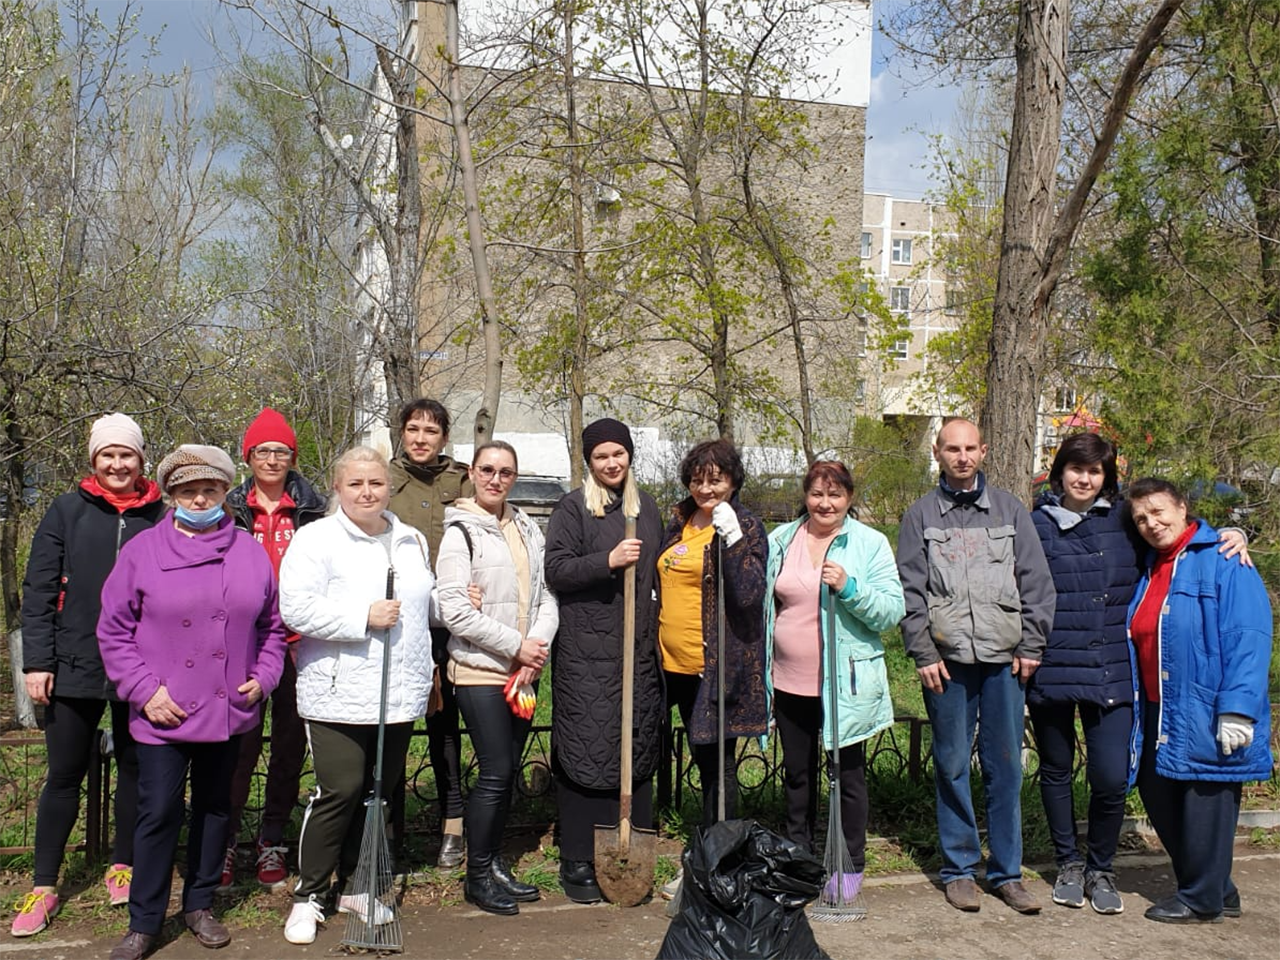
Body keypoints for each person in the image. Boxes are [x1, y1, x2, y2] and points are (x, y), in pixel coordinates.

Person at [1028, 434, 1248, 915]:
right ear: (1059, 471)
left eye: (1096, 471)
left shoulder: (1126, 522)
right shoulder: (1035, 525)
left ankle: (1100, 867)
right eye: (1076, 468)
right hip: (1052, 668)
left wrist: (1230, 535)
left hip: (1111, 671)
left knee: (1110, 778)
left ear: (1107, 477)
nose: (1084, 479)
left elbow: (1173, 538)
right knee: (1056, 772)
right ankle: (1068, 863)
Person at [98, 445, 287, 960]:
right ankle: (144, 920)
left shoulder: (249, 552)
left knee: (215, 808)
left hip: (228, 708)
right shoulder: (140, 551)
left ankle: (199, 904)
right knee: (158, 812)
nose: (198, 498)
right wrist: (143, 691)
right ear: (171, 495)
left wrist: (265, 675)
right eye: (186, 490)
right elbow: (113, 632)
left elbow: (272, 628)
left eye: (208, 489)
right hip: (163, 709)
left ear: (225, 492)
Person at [896, 418, 1055, 914]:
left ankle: (1007, 873)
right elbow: (910, 591)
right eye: (952, 449)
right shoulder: (921, 515)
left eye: (970, 448)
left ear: (983, 451)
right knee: (950, 764)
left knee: (1005, 767)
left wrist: (1032, 644)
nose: (962, 457)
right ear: (938, 454)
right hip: (946, 663)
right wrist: (923, 652)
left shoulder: (1010, 509)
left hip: (1005, 661)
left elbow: (1036, 582)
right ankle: (960, 869)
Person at [277, 446, 435, 945]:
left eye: (376, 483)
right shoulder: (315, 539)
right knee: (339, 790)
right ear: (338, 489)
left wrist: (445, 605)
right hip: (338, 689)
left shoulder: (408, 539)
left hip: (398, 689)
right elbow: (295, 609)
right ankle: (310, 895)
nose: (367, 493)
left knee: (378, 793)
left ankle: (357, 885)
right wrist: (360, 618)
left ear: (389, 486)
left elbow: (418, 608)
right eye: (356, 484)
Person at [12, 415, 162, 939]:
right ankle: (45, 884)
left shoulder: (162, 514)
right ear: (93, 460)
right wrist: (37, 661)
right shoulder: (67, 510)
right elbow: (38, 590)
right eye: (108, 456)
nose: (118, 465)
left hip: (142, 668)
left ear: (142, 460)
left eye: (127, 455)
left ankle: (123, 864)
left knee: (135, 769)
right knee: (62, 776)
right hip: (73, 663)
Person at [1125, 477, 1272, 924]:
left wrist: (1237, 708)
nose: (1151, 523)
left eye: (1158, 512)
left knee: (1205, 798)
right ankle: (1219, 888)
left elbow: (1249, 636)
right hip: (1158, 704)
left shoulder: (1226, 561)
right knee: (1157, 791)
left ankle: (1201, 898)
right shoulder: (1151, 564)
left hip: (1208, 705)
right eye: (1141, 518)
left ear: (1182, 507)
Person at [763, 460, 904, 905]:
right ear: (805, 495)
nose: (825, 503)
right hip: (788, 680)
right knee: (797, 775)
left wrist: (850, 587)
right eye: (817, 494)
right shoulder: (781, 539)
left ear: (849, 498)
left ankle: (847, 865)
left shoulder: (870, 543)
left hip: (846, 684)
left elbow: (891, 611)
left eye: (835, 495)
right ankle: (799, 860)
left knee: (847, 776)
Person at [436, 441, 559, 915]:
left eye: (505, 472)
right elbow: (454, 611)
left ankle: (494, 865)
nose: (495, 479)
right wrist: (515, 646)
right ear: (471, 472)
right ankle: (477, 874)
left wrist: (535, 651)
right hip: (479, 670)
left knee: (505, 773)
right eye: (487, 470)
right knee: (495, 771)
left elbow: (548, 596)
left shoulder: (528, 527)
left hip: (523, 671)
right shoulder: (459, 533)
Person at [544, 418, 663, 904]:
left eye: (618, 453)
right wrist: (607, 562)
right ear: (589, 462)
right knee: (586, 749)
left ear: (629, 455)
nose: (611, 463)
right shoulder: (573, 508)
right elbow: (556, 569)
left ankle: (629, 843)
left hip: (636, 654)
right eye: (600, 457)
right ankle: (577, 857)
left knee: (632, 746)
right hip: (586, 655)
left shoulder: (647, 508)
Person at [223, 407, 327, 892]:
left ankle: (271, 841)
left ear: (292, 457)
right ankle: (223, 843)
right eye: (262, 451)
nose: (271, 459)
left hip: (297, 644)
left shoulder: (312, 508)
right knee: (236, 750)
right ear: (249, 457)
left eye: (280, 451)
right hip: (241, 646)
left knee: (288, 748)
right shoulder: (228, 507)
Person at [657, 440, 768, 830]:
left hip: (713, 668)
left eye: (715, 481)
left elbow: (750, 593)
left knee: (716, 767)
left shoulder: (747, 525)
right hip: (671, 666)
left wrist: (735, 542)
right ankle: (701, 846)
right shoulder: (679, 522)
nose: (705, 489)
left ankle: (717, 857)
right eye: (697, 480)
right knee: (677, 750)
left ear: (734, 482)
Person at [387, 398, 473, 868]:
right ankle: (389, 832)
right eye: (413, 429)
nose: (421, 438)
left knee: (445, 728)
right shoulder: (382, 480)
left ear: (443, 436)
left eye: (431, 430)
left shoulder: (461, 481)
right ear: (401, 432)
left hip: (450, 623)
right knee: (396, 725)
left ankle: (453, 825)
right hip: (398, 621)